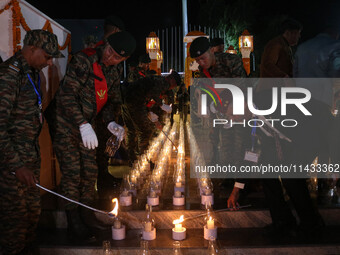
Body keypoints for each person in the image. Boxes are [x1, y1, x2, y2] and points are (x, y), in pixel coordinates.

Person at [46, 31, 136, 241]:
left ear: (124, 59)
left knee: (90, 170)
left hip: (88, 126)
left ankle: (86, 213)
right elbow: (67, 95)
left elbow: (106, 102)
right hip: (66, 124)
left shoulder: (113, 72)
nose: (109, 58)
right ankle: (73, 219)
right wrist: (82, 124)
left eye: (116, 57)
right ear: (105, 45)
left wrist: (111, 122)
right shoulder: (83, 59)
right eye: (109, 51)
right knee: (72, 172)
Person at [0, 29, 64, 255]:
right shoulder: (9, 75)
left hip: (29, 157)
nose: (49, 62)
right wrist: (16, 165)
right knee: (13, 227)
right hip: (11, 165)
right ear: (32, 48)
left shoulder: (33, 73)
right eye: (47, 56)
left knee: (30, 219)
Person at [189, 36, 248, 180]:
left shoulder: (231, 61)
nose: (201, 63)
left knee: (240, 146)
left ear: (211, 51)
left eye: (203, 58)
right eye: (198, 61)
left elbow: (242, 87)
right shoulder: (205, 72)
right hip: (223, 113)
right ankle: (229, 178)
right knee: (226, 145)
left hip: (240, 110)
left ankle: (242, 184)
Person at [93, 15, 126, 197]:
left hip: (106, 115)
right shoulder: (92, 57)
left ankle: (105, 179)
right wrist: (83, 124)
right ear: (115, 32)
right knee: (94, 156)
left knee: (105, 150)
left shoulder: (114, 63)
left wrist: (112, 120)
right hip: (89, 118)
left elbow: (111, 94)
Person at [121, 71, 181, 162]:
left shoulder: (156, 79)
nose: (172, 88)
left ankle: (131, 157)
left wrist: (151, 115)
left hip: (126, 100)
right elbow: (153, 93)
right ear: (172, 80)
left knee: (131, 129)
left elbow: (147, 95)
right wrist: (162, 105)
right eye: (174, 85)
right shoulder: (163, 82)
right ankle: (143, 157)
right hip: (135, 103)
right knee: (145, 130)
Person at [257, 18, 302, 91]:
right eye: (297, 33)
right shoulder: (276, 45)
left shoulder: (285, 45)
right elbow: (268, 64)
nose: (299, 36)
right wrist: (285, 77)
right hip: (270, 91)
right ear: (288, 33)